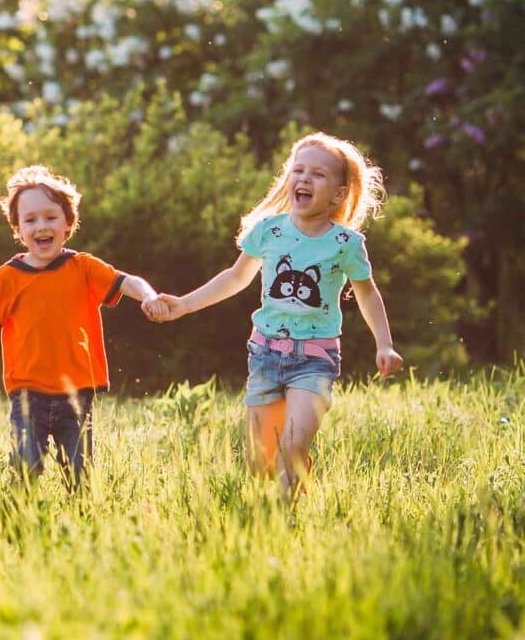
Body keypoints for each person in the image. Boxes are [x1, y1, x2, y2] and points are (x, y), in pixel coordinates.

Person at [146, 132, 403, 500]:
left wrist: (385, 344)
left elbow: (367, 292)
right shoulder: (268, 231)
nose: (304, 178)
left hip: (315, 359)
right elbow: (235, 278)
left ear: (338, 194)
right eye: (298, 170)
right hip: (265, 354)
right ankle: (295, 472)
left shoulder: (345, 244)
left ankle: (284, 519)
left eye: (317, 174)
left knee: (291, 447)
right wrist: (184, 304)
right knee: (260, 463)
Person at [0, 165, 159, 489]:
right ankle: (18, 524)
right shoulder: (6, 278)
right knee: (25, 468)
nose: (41, 226)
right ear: (18, 229)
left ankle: (82, 526)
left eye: (51, 217)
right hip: (28, 393)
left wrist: (148, 296)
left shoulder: (83, 267)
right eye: (30, 220)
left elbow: (126, 281)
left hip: (77, 392)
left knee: (80, 474)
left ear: (68, 223)